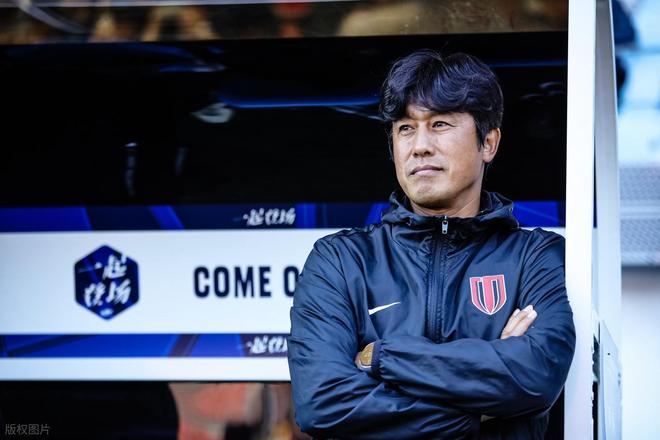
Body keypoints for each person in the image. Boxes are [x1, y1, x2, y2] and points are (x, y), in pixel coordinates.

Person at [287, 50, 576, 439]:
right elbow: (322, 403)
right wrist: (481, 410)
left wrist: (382, 357)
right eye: (406, 128)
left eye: (440, 124)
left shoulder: (535, 257)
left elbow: (535, 376)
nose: (419, 145)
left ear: (488, 143)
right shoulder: (340, 260)